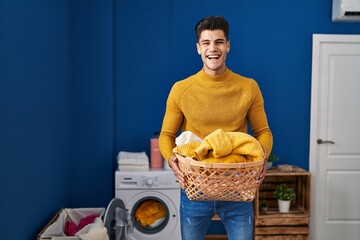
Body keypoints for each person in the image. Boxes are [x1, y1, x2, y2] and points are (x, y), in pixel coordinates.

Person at [159, 16, 273, 240]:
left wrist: (262, 159)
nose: (213, 48)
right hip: (195, 189)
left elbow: (263, 133)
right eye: (206, 43)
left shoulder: (248, 87)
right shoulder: (181, 89)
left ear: (228, 46)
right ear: (198, 48)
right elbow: (167, 135)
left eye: (219, 42)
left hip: (238, 187)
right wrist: (171, 160)